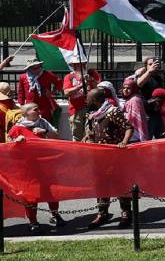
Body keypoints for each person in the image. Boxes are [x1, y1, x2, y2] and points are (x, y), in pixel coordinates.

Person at [7, 102, 64, 233]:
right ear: (26, 113)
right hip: (28, 168)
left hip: (46, 164)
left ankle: (55, 215)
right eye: (35, 109)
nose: (39, 111)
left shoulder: (43, 122)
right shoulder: (17, 128)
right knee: (31, 195)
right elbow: (8, 147)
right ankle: (33, 221)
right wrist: (17, 141)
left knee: (51, 191)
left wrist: (45, 131)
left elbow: (56, 136)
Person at [83, 89, 134, 229]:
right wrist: (88, 136)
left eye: (88, 99)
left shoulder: (113, 112)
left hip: (115, 156)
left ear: (96, 101)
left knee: (120, 184)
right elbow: (93, 132)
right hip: (99, 157)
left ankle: (126, 214)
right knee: (101, 185)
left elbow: (129, 128)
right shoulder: (92, 115)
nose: (86, 101)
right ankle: (102, 214)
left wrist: (123, 142)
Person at [17, 58, 63, 127]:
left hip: (45, 107)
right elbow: (21, 92)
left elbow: (59, 83)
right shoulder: (23, 77)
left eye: (39, 67)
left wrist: (52, 92)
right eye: (35, 68)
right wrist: (21, 105)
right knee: (31, 127)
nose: (38, 69)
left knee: (45, 127)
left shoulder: (47, 74)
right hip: (30, 108)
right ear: (29, 68)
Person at [63, 58, 101, 141]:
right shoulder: (69, 77)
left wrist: (91, 80)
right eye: (76, 64)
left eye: (82, 64)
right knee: (77, 135)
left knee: (92, 134)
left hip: (91, 108)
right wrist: (81, 85)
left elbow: (99, 89)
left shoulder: (92, 74)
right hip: (76, 110)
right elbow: (66, 92)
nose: (79, 66)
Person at [135, 57, 165, 139]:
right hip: (148, 114)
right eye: (150, 64)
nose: (153, 66)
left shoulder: (160, 77)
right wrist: (149, 71)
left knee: (162, 138)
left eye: (155, 64)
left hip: (159, 113)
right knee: (147, 138)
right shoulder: (144, 76)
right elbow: (139, 83)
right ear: (146, 66)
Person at [121, 78, 148, 142]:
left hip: (135, 133)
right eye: (124, 88)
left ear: (133, 89)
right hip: (130, 132)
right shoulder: (130, 99)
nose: (125, 90)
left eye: (128, 88)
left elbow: (135, 118)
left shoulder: (135, 100)